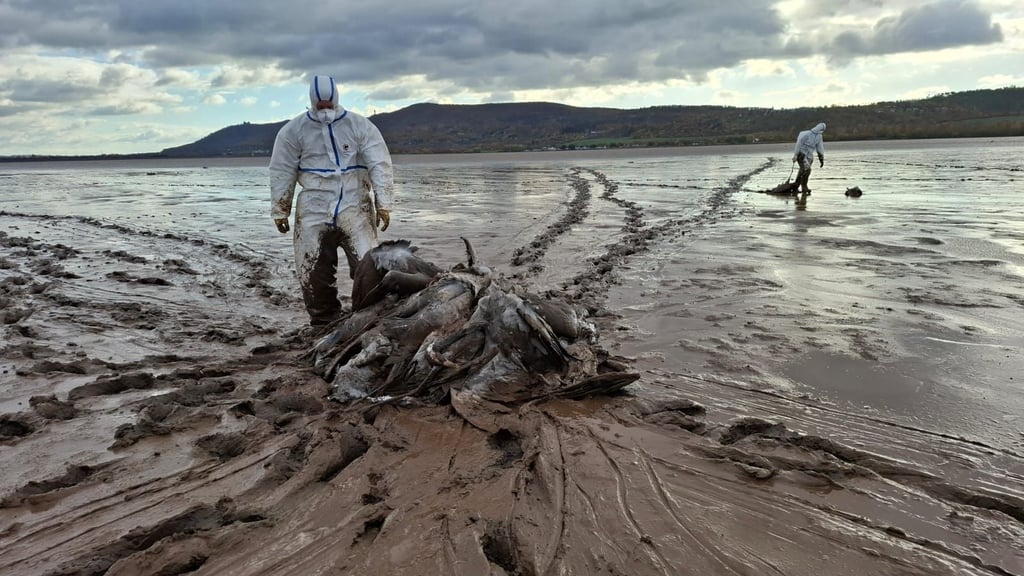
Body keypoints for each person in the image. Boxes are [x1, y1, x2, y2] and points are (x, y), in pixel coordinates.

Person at [269, 75, 395, 326]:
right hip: (313, 208)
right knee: (312, 270)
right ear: (312, 102)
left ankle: (367, 316)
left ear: (336, 99)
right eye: (321, 106)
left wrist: (384, 203)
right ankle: (323, 320)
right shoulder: (293, 131)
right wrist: (280, 208)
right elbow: (282, 169)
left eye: (329, 104)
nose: (325, 109)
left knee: (367, 266)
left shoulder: (360, 126)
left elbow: (379, 163)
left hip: (355, 206)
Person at [792, 122, 826, 194]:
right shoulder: (806, 134)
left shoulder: (819, 137)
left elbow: (819, 147)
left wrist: (821, 159)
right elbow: (799, 144)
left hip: (809, 156)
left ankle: (796, 186)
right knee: (807, 170)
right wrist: (795, 154)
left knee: (802, 171)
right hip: (801, 155)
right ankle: (804, 187)